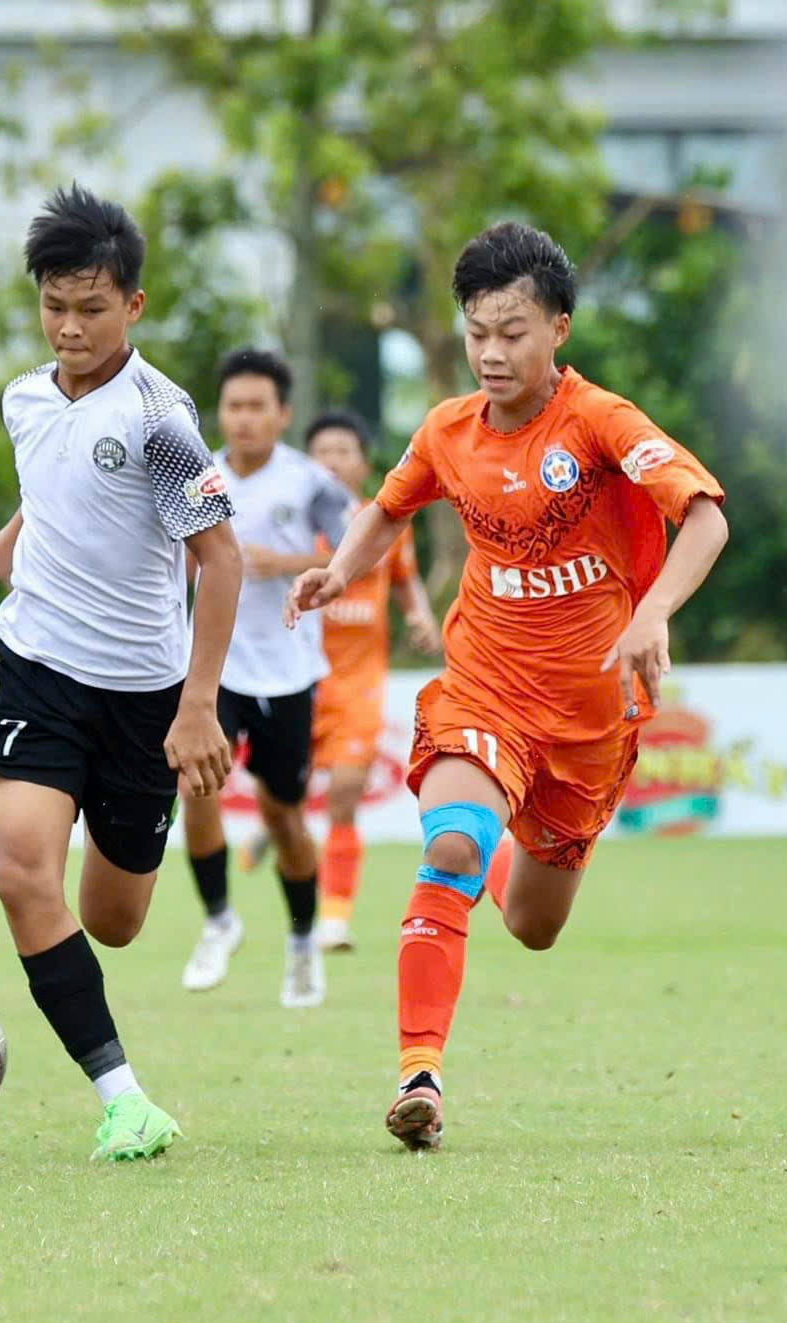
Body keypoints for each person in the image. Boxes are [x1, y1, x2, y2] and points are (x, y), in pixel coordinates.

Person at [286, 222, 730, 1150]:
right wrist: (339, 572)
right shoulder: (447, 431)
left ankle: (500, 844)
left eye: (513, 331)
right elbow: (388, 507)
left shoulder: (603, 423)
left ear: (559, 328)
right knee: (447, 843)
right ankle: (419, 1074)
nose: (491, 352)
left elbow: (704, 518)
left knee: (532, 924)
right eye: (478, 331)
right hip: (484, 684)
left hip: (591, 718)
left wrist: (651, 612)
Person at [0, 184, 240, 1163]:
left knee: (112, 920)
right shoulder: (23, 397)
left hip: (141, 700)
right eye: (54, 306)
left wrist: (198, 707)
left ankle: (124, 895)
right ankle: (123, 1097)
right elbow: (41, 512)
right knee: (16, 867)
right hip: (38, 670)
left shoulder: (160, 419)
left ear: (133, 305)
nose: (70, 327)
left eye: (91, 308)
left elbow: (221, 561)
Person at [176, 349, 353, 1008]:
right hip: (213, 669)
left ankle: (305, 939)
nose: (244, 419)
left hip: (287, 672)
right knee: (196, 783)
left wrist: (290, 561)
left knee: (283, 817)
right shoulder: (195, 477)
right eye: (233, 406)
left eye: (258, 406)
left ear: (282, 414)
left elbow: (353, 549)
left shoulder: (310, 482)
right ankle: (220, 920)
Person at [300, 409, 442, 952]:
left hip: (359, 682)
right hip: (298, 681)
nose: (333, 460)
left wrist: (419, 617)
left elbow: (405, 583)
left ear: (363, 463)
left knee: (344, 794)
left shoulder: (384, 524)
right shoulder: (290, 520)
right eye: (322, 451)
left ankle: (334, 920)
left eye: (343, 450)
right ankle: (274, 829)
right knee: (283, 797)